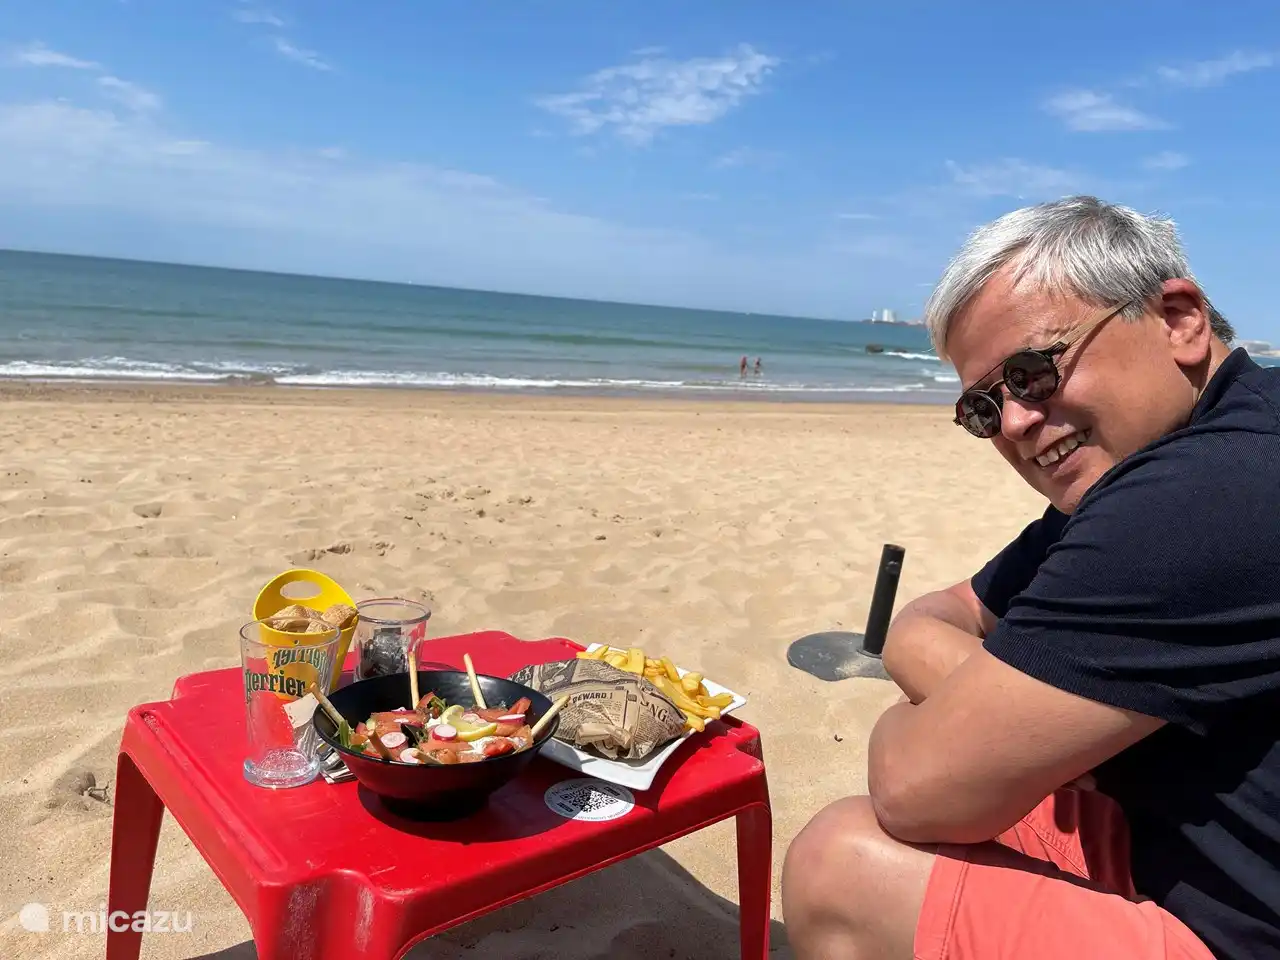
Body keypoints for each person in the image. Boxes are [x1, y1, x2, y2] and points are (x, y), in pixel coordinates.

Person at [780, 195, 1280, 960]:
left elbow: (912, 789)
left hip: (1240, 925)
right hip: (1202, 858)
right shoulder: (1186, 450)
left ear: (1178, 318)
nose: (1012, 423)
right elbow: (932, 615)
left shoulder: (1202, 494)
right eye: (982, 408)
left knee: (838, 860)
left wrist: (910, 726)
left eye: (1032, 372)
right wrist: (987, 701)